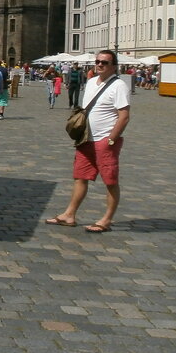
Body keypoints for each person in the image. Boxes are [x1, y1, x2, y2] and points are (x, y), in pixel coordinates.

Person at [45, 49, 130, 233]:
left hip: (105, 140)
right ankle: (69, 215)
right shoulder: (91, 82)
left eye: (105, 62)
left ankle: (106, 220)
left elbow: (124, 116)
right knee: (80, 177)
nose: (100, 64)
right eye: (98, 61)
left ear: (114, 66)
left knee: (110, 181)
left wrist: (112, 139)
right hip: (86, 139)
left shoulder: (119, 86)